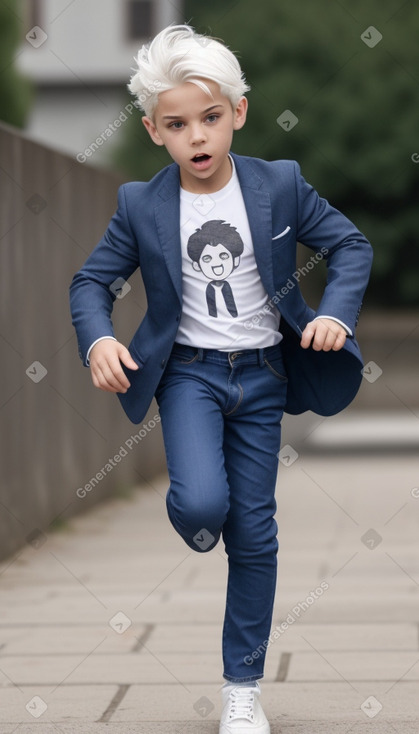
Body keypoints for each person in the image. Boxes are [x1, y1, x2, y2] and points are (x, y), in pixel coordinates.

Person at [70, 24, 373, 734]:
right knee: (205, 506)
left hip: (263, 376)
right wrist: (98, 341)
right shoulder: (141, 205)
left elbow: (349, 244)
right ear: (154, 131)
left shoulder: (279, 184)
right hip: (189, 379)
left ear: (237, 111)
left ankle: (242, 689)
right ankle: (202, 517)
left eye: (210, 118)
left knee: (256, 534)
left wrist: (335, 315)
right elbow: (91, 282)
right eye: (176, 125)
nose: (196, 138)